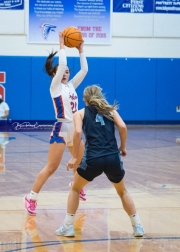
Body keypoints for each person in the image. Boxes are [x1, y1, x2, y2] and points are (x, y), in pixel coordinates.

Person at [55, 85, 145, 238]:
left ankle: (68, 227)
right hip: (112, 158)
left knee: (75, 189)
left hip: (93, 159)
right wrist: (122, 147)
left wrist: (75, 157)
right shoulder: (110, 110)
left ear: (85, 100)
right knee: (122, 192)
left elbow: (77, 132)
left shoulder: (80, 113)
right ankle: (138, 227)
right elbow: (123, 127)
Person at [24, 32, 88, 215]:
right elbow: (62, 65)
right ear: (55, 75)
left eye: (68, 71)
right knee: (51, 167)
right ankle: (31, 197)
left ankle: (77, 185)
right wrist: (61, 44)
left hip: (75, 128)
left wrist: (81, 50)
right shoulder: (55, 87)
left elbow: (84, 71)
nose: (66, 73)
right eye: (63, 71)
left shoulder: (71, 86)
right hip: (61, 128)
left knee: (81, 164)